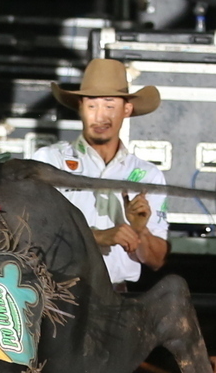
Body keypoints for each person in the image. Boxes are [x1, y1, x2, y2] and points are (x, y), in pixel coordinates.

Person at [31, 59, 169, 291]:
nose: (100, 116)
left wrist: (139, 230)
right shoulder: (50, 161)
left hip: (117, 297)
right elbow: (31, 232)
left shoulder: (148, 176)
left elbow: (156, 260)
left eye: (109, 106)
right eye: (92, 106)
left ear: (126, 110)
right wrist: (97, 237)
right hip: (57, 294)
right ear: (80, 108)